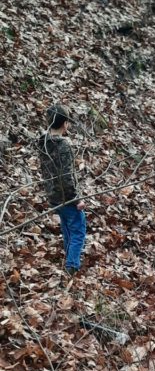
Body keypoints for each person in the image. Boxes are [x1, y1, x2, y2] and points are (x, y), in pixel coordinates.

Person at [38, 104, 86, 274]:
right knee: (79, 229)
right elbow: (67, 176)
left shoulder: (42, 142)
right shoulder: (64, 145)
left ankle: (69, 258)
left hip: (53, 195)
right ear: (65, 123)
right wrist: (77, 198)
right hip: (66, 196)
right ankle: (72, 265)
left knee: (67, 228)